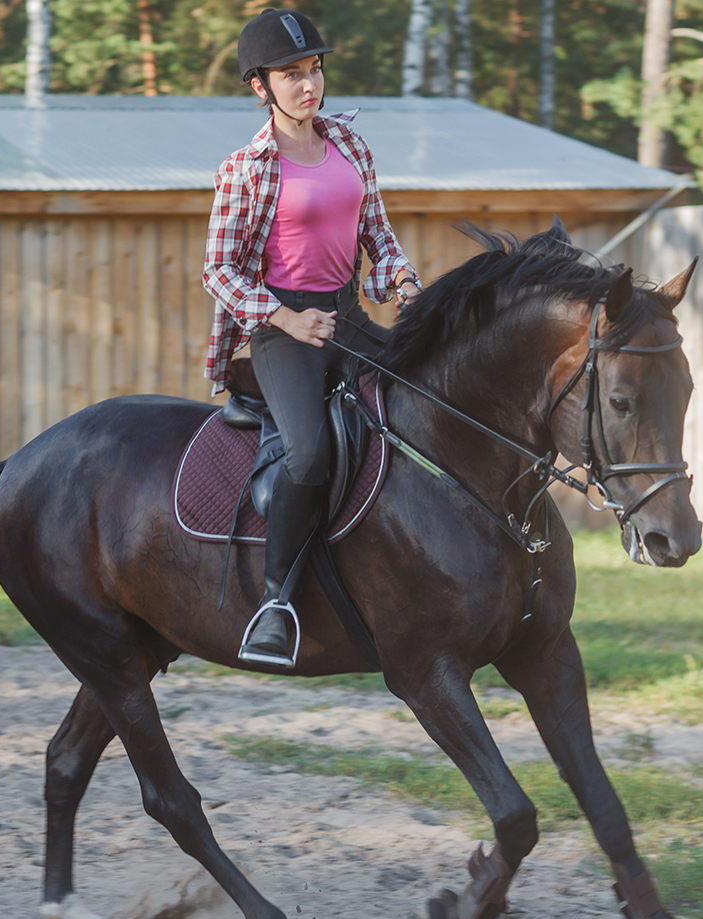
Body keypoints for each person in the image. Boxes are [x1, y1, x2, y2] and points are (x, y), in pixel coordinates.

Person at [202, 7, 421, 669]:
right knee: (309, 455)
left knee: (426, 403)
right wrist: (286, 319)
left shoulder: (351, 147)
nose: (309, 84)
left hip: (346, 315)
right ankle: (276, 602)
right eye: (291, 74)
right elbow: (219, 269)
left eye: (315, 69)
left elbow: (378, 240)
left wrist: (405, 282)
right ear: (260, 87)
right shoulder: (245, 168)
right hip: (282, 330)